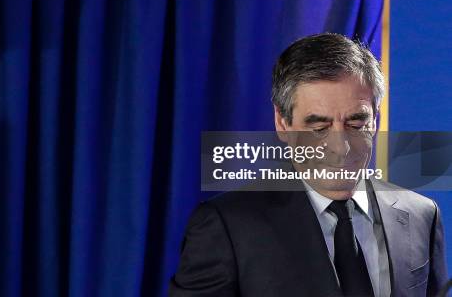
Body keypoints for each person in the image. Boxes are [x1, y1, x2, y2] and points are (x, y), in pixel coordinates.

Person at [169, 33, 447, 297]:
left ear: (376, 118)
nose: (341, 147)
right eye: (319, 126)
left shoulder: (422, 215)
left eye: (356, 123)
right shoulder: (227, 227)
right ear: (283, 122)